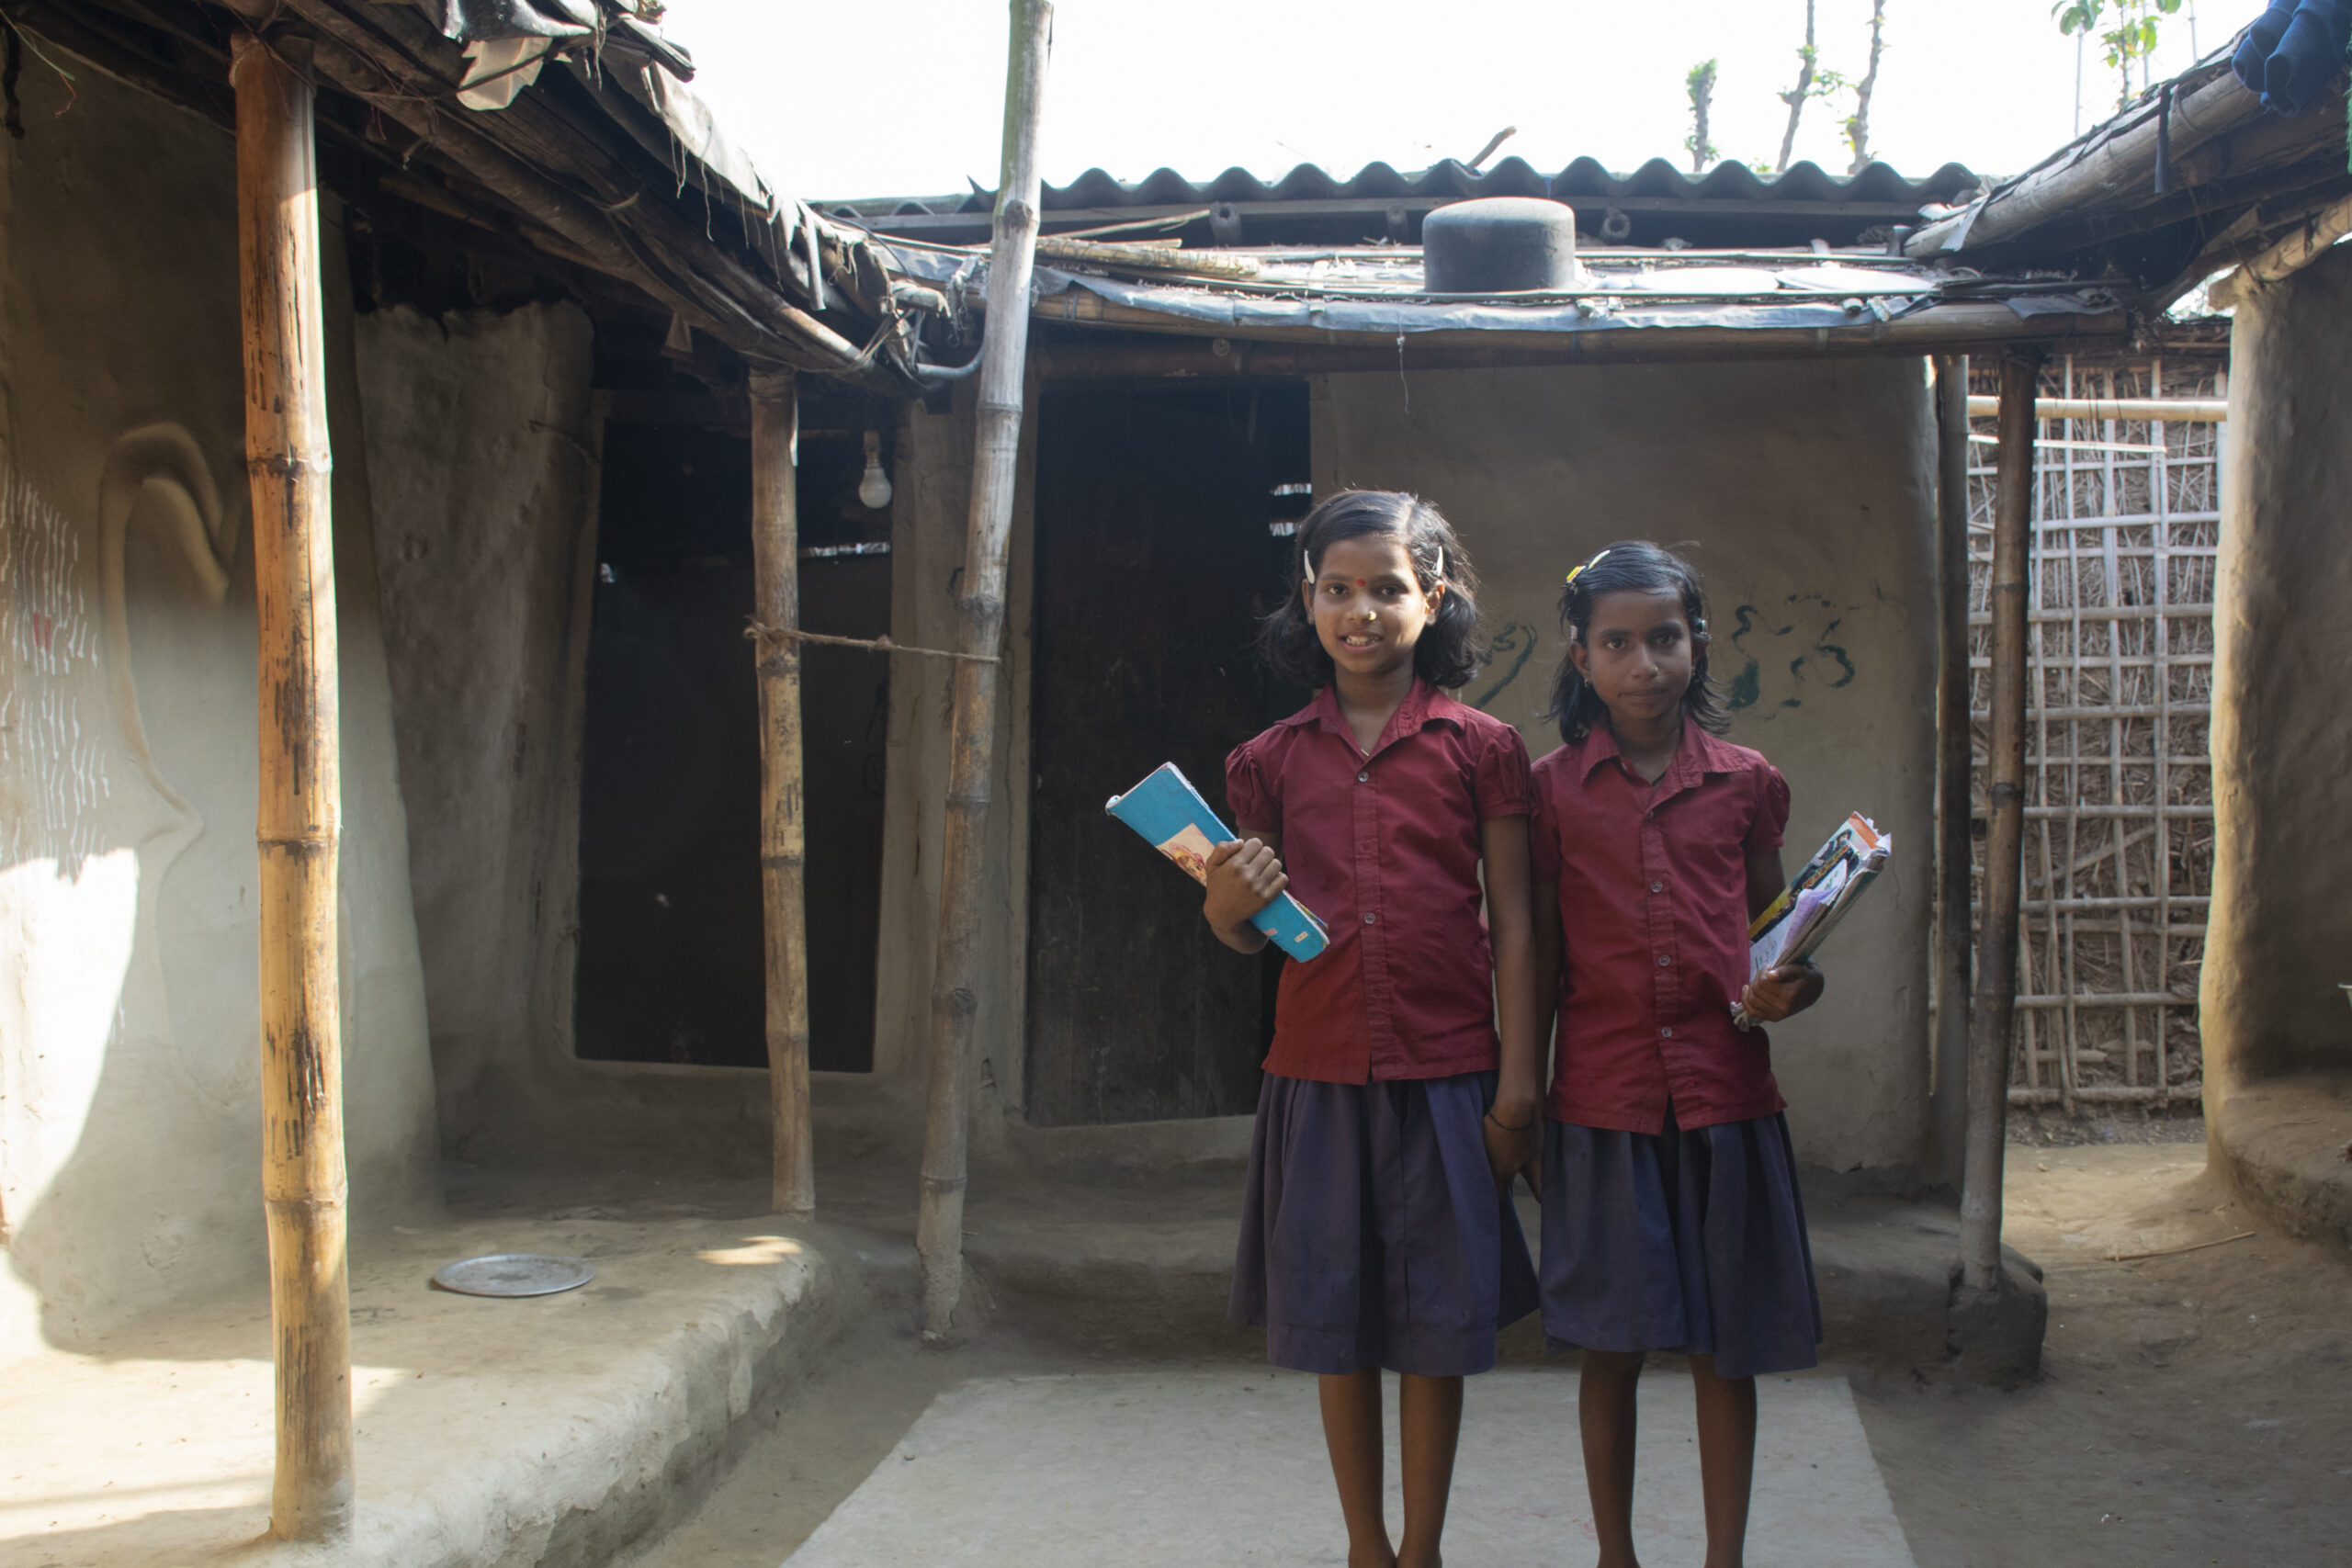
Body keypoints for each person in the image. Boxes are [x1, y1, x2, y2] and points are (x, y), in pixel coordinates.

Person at [1202, 489, 1543, 1568]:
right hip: (1318, 1077)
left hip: (1450, 1077)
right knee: (1337, 1328)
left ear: (1431, 598)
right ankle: (1364, 1545)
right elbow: (1242, 939)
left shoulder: (1483, 749)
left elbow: (1520, 929)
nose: (1360, 610)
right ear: (1305, 601)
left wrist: (1518, 1088)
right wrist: (1225, 895)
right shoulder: (1264, 762)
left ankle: (1425, 1547)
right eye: (1336, 589)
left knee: (1437, 1327)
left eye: (1387, 588)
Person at [1507, 540, 1826, 1568]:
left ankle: (1722, 1557)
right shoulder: (1549, 793)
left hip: (1726, 1101)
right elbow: (1541, 957)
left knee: (1720, 1347)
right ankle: (1617, 1555)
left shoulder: (1747, 786)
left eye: (1664, 638)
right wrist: (1529, 1102)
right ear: (1580, 655)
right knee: (1611, 1345)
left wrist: (1788, 986)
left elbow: (1781, 947)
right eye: (1617, 643)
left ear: (1696, 642)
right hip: (1600, 1107)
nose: (1644, 663)